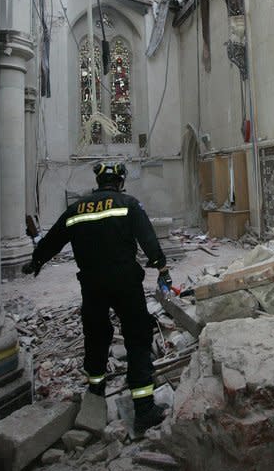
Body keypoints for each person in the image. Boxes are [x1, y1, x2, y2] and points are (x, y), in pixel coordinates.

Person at [22, 162, 172, 434]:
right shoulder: (128, 204)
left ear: (99, 182)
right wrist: (161, 266)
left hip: (92, 286)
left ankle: (96, 394)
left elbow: (53, 239)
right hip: (126, 283)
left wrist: (36, 261)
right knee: (137, 338)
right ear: (120, 182)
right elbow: (148, 239)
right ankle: (144, 410)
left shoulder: (77, 209)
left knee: (96, 336)